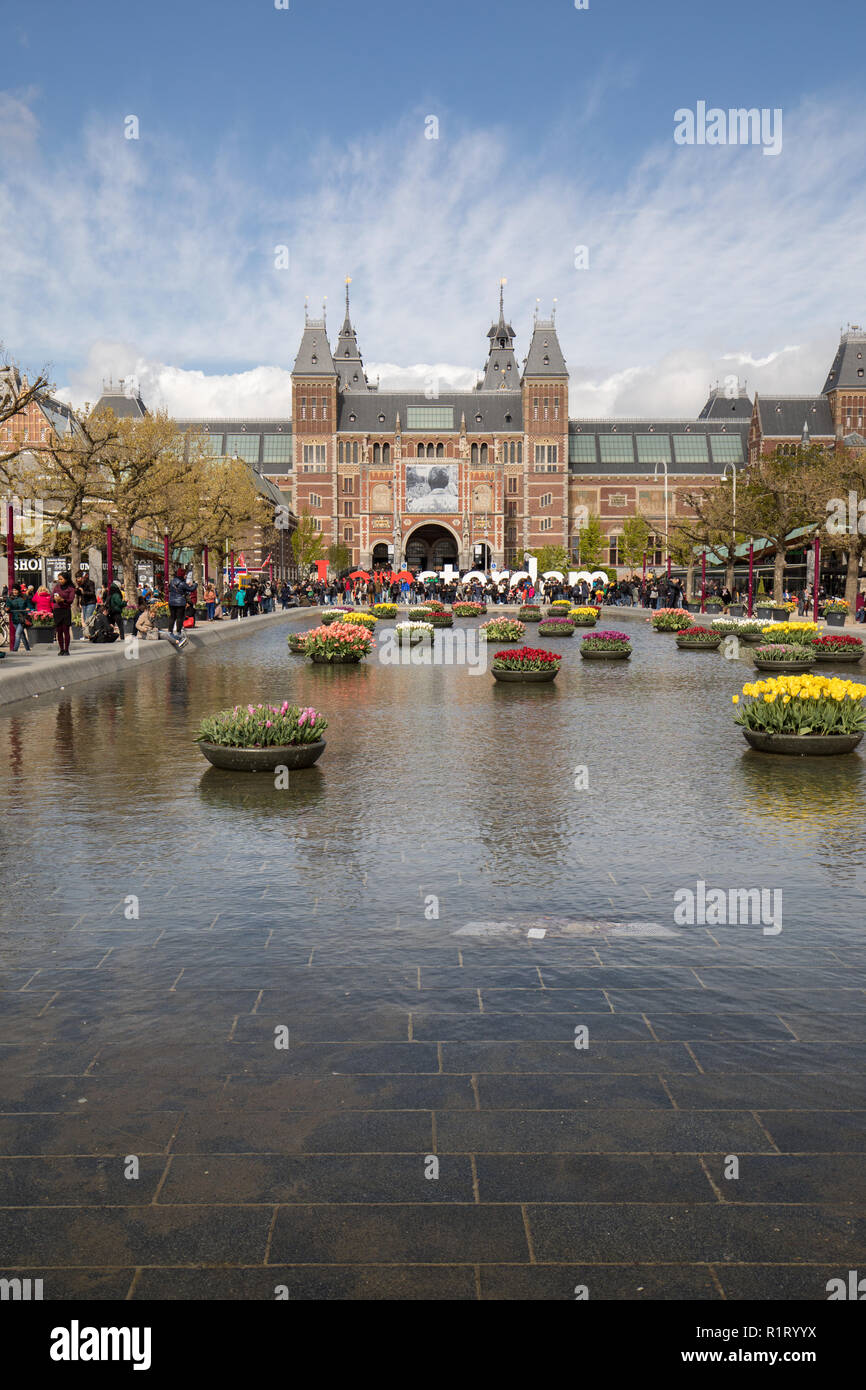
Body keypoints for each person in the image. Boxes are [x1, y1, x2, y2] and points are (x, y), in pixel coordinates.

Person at [52, 571, 77, 654]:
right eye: (59, 579)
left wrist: (63, 600)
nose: (60, 581)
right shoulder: (56, 587)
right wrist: (55, 599)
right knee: (59, 630)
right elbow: (52, 597)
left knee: (66, 630)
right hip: (57, 610)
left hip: (65, 610)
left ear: (66, 579)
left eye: (61, 579)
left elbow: (70, 600)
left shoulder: (71, 589)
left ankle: (66, 649)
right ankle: (61, 649)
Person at [6, 584, 34, 652]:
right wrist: (8, 609)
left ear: (18, 590)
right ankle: (28, 649)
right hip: (15, 619)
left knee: (17, 634)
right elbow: (8, 607)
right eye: (13, 590)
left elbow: (29, 606)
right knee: (22, 635)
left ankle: (15, 650)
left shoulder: (24, 597)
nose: (14, 591)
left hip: (23, 619)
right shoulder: (10, 598)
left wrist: (28, 608)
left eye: (15, 590)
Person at [167, 566, 192, 634]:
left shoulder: (172, 582)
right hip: (180, 603)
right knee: (179, 617)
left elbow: (169, 589)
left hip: (172, 602)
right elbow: (190, 589)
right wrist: (195, 584)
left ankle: (170, 631)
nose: (186, 576)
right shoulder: (182, 583)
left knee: (172, 617)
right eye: (185, 575)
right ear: (182, 575)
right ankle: (178, 631)